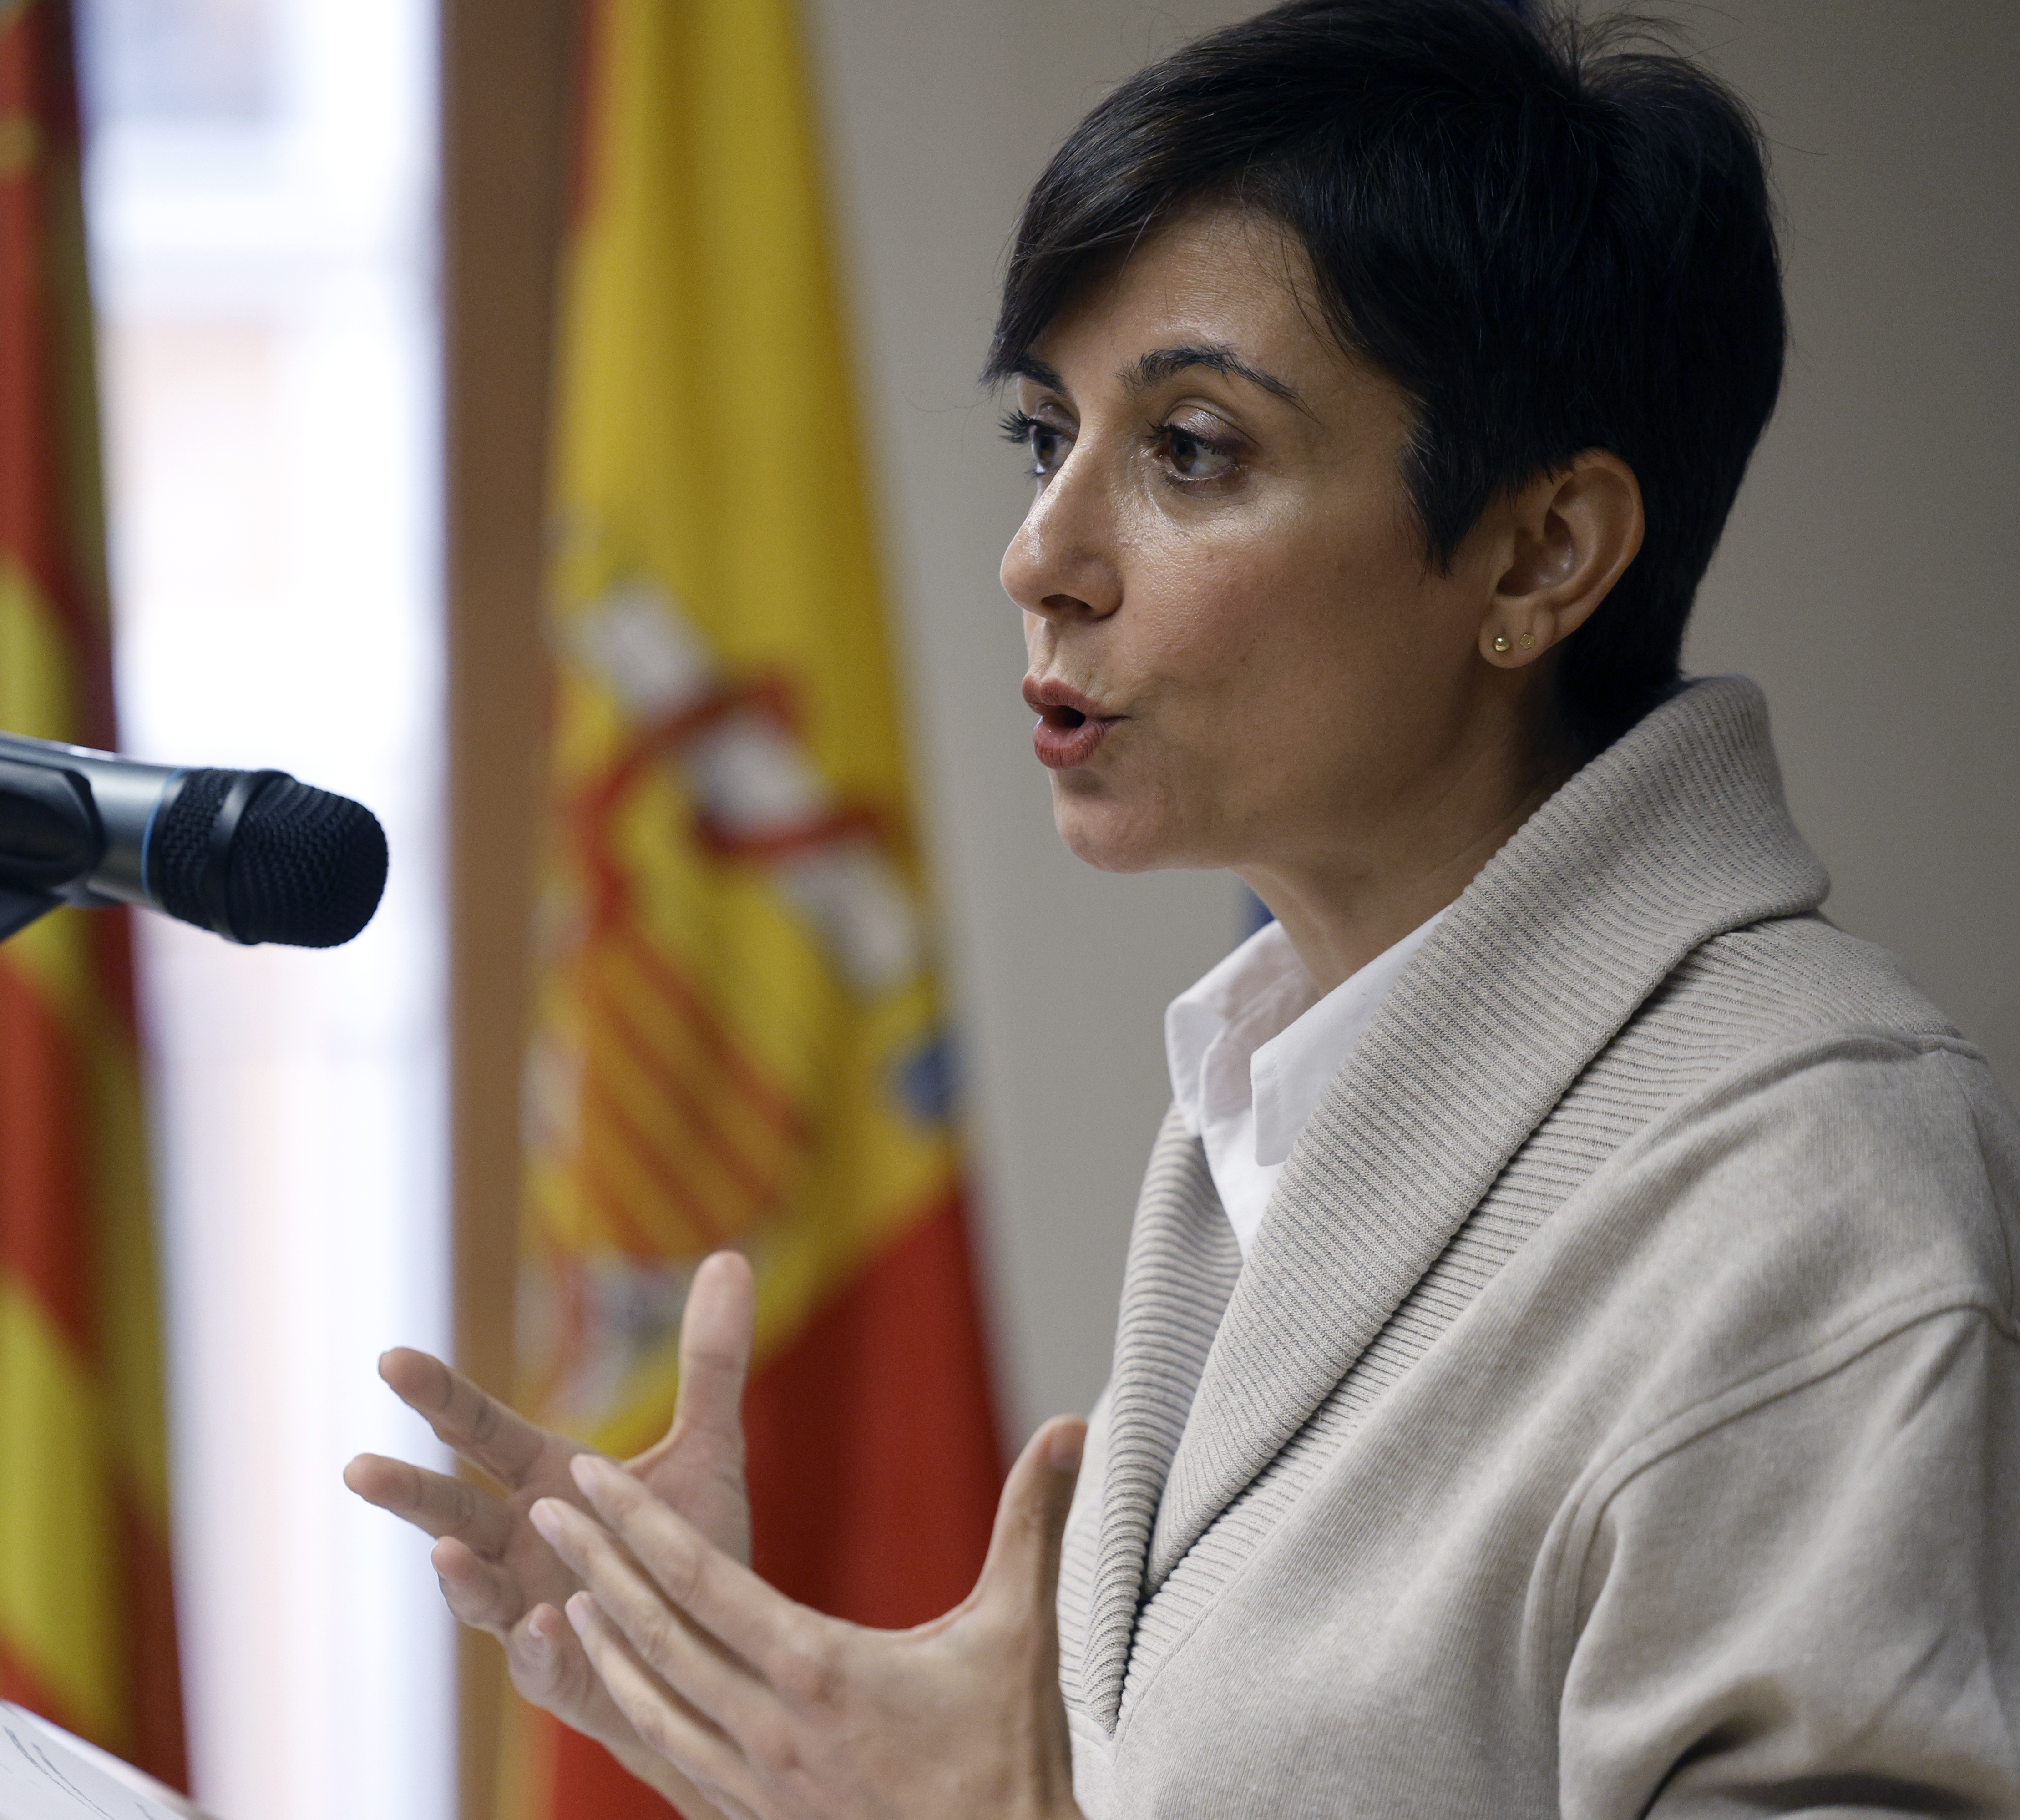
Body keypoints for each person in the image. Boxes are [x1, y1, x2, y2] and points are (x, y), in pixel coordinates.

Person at [345, 0, 2020, 1813]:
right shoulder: (1269, 1088)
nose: (1041, 556)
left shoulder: (1817, 1184)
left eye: (1194, 450)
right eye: (1046, 434)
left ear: (1543, 554)